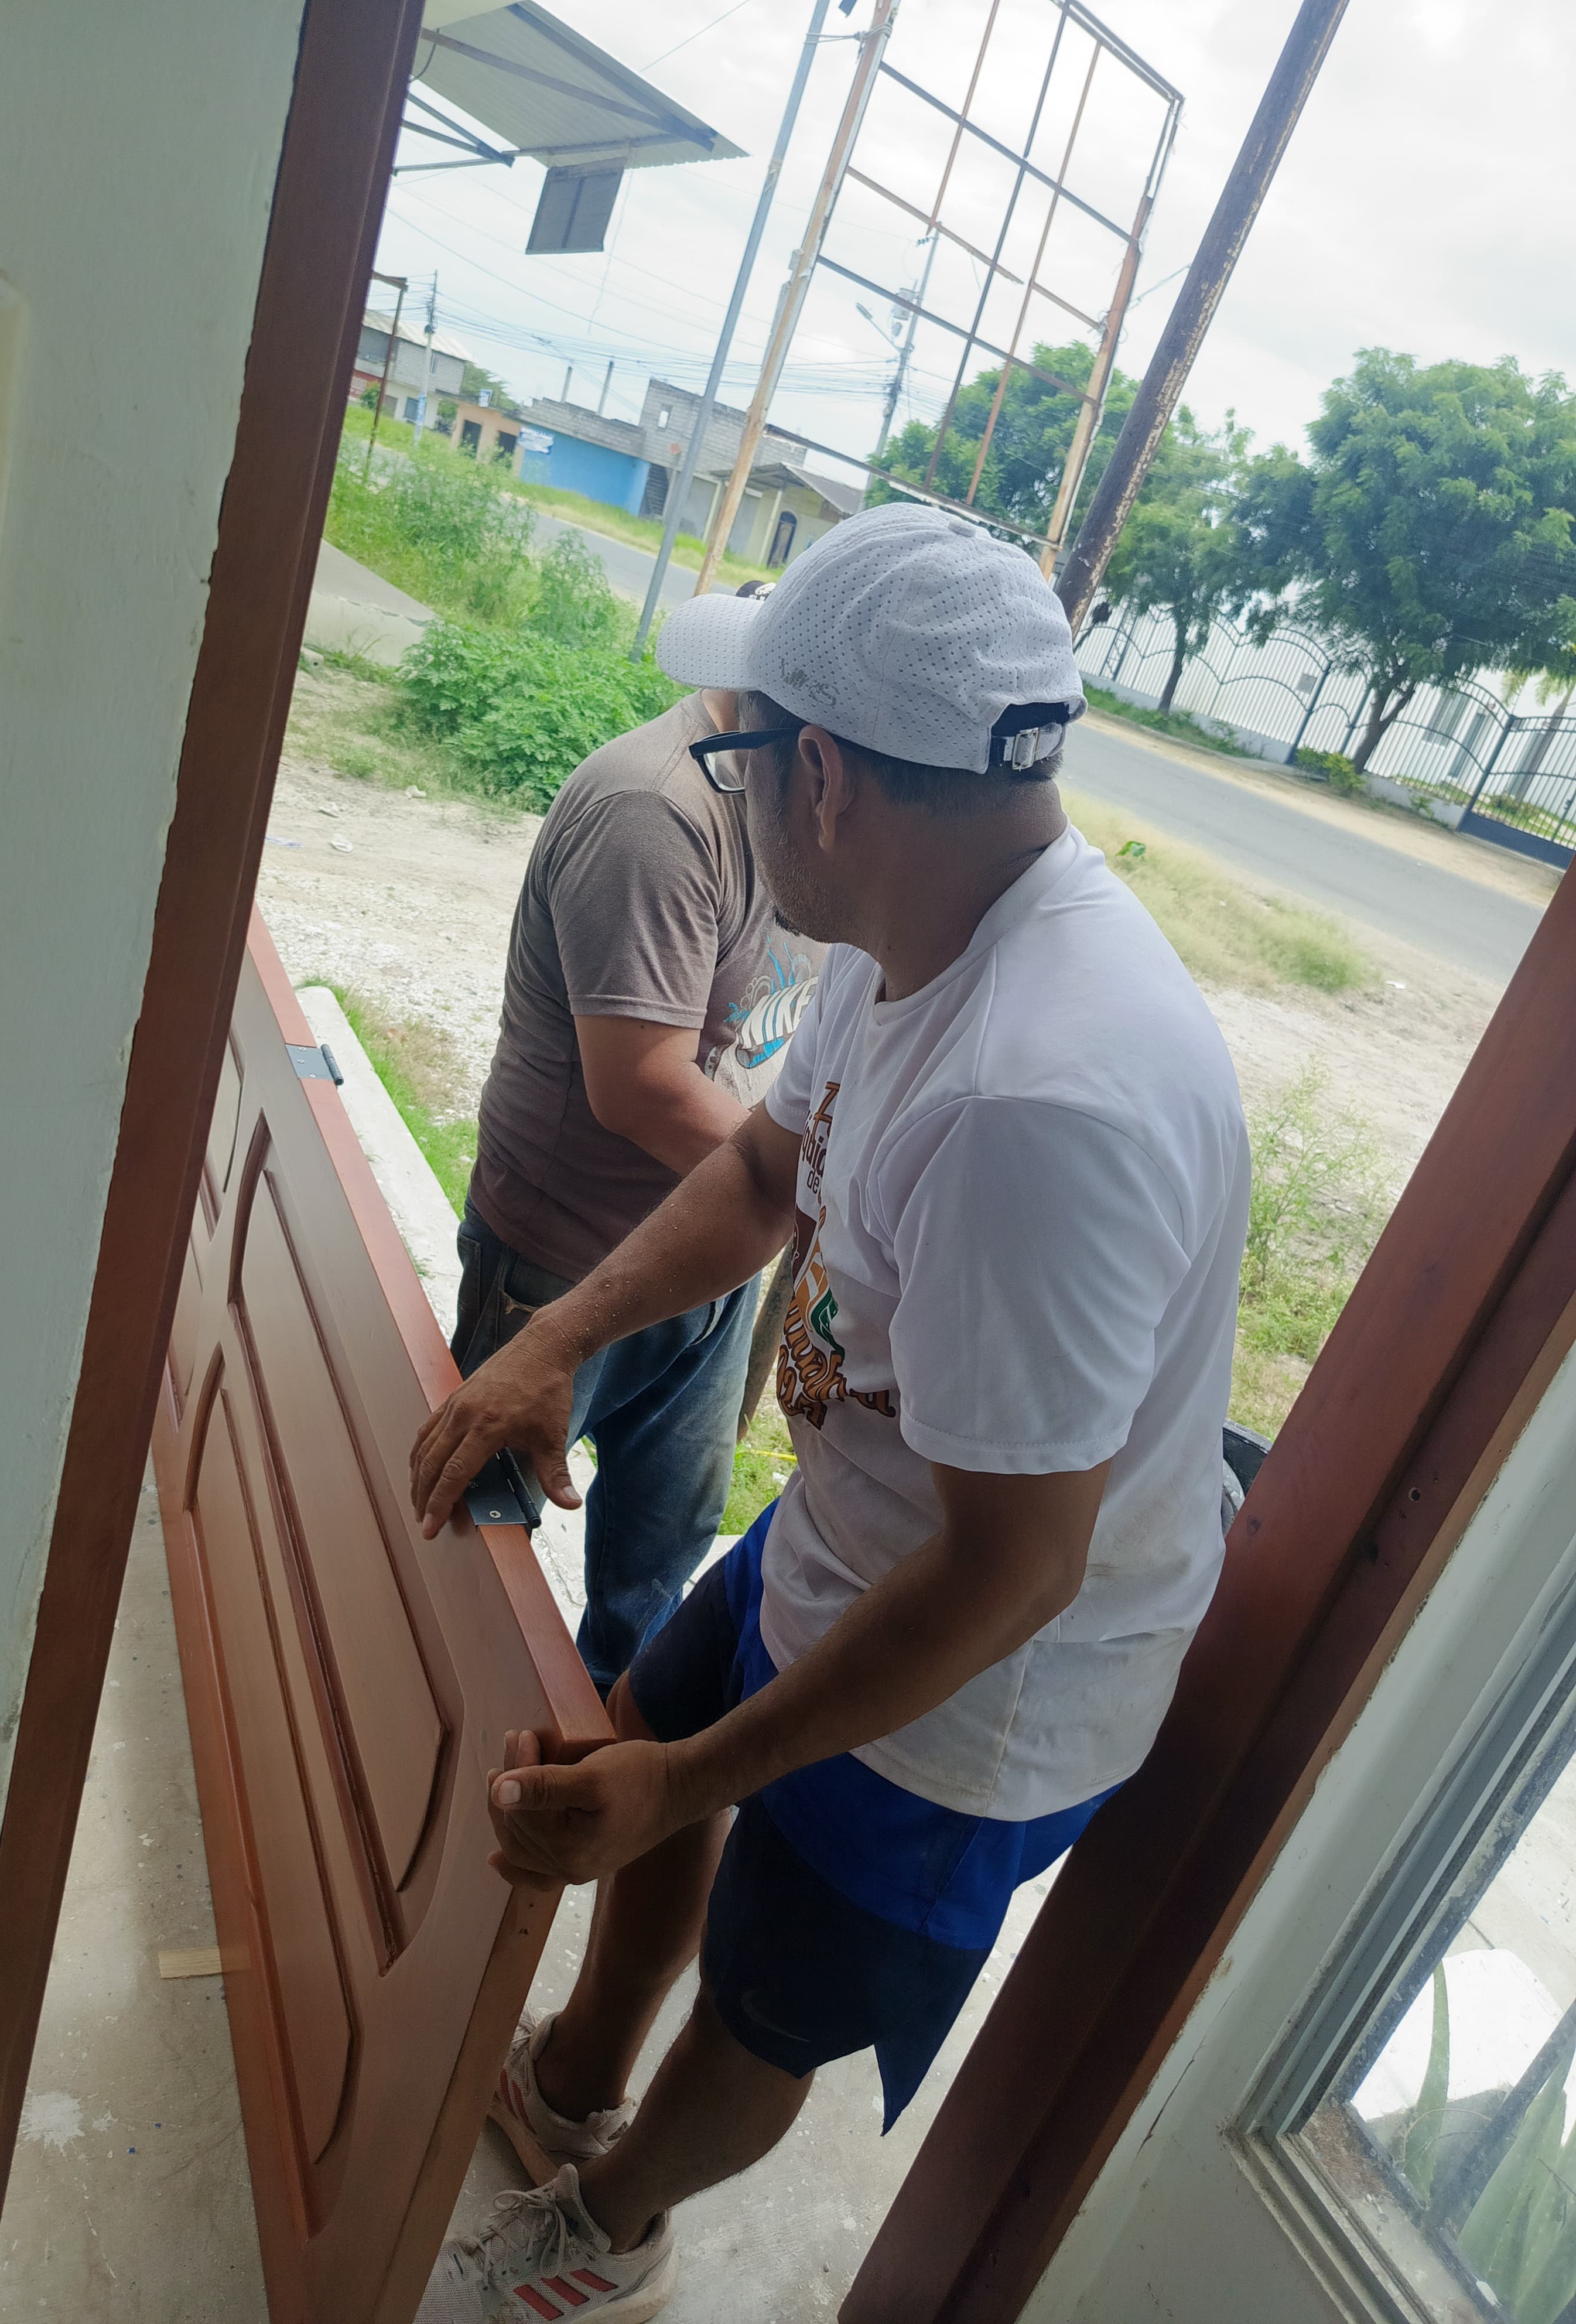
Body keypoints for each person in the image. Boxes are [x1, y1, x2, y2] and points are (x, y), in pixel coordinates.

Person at [409, 503, 1250, 2322]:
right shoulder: (909, 931)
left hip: (977, 1681)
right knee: (647, 1724)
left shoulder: (1042, 1103)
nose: (727, 782)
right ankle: (577, 2074)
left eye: (743, 754)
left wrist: (685, 1787)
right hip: (859, 1525)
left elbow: (1015, 1571)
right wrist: (556, 1338)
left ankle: (613, 2226)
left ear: (827, 780)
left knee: (770, 1992)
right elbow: (766, 1171)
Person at [454, 580, 815, 1694]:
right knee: (476, 1538)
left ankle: (593, 1745)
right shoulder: (657, 810)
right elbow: (644, 1088)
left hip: (711, 1251)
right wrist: (819, 1192)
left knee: (658, 1559)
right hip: (568, 1257)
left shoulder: (801, 808)